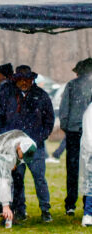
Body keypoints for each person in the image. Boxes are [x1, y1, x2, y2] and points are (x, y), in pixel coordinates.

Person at [0, 65, 55, 222]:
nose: (24, 83)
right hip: (13, 146)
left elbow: (49, 121)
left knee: (39, 178)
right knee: (16, 178)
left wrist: (37, 139)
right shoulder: (7, 95)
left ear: (32, 80)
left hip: (35, 146)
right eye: (21, 80)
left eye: (27, 79)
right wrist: (9, 139)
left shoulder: (41, 96)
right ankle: (20, 210)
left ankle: (45, 210)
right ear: (16, 80)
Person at [59, 57, 92, 216]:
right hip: (89, 131)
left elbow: (64, 109)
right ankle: (88, 201)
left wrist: (66, 127)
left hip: (73, 131)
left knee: (72, 168)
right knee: (89, 168)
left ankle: (70, 203)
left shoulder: (71, 86)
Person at [79, 102, 92, 226]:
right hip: (91, 153)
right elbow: (89, 135)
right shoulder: (90, 111)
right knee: (91, 185)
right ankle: (88, 214)